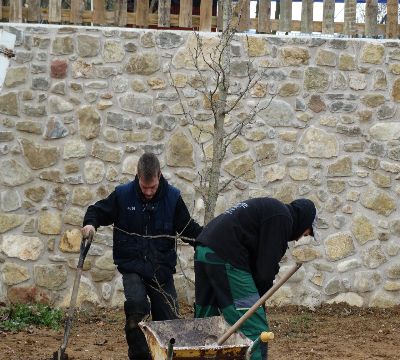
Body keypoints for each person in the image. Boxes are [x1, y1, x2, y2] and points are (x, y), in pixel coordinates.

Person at [82, 152, 202, 360]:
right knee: (137, 308)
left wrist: (209, 238)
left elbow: (188, 228)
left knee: (170, 323)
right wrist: (90, 224)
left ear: (159, 176)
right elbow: (97, 210)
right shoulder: (122, 195)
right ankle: (140, 357)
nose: (148, 192)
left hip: (161, 270)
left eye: (152, 187)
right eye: (144, 187)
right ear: (137, 176)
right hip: (133, 267)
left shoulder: (173, 198)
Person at [194, 197, 317, 360]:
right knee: (256, 330)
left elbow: (256, 263)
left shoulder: (271, 210)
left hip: (204, 248)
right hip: (226, 254)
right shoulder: (283, 219)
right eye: (306, 232)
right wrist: (257, 306)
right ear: (304, 221)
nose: (300, 238)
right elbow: (264, 273)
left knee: (205, 323)